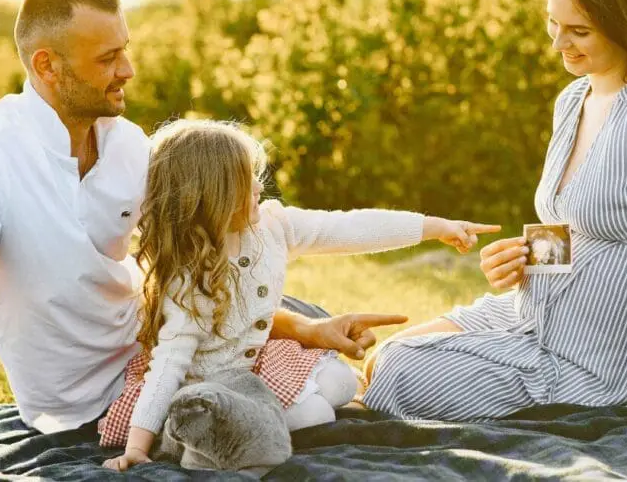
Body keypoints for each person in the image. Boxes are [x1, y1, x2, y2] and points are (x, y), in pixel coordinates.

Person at [0, 0, 427, 478]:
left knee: (322, 363)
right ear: (47, 65)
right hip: (89, 402)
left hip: (170, 346)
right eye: (107, 58)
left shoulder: (129, 147)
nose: (128, 69)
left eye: (124, 50)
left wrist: (306, 329)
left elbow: (199, 272)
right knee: (305, 408)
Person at [362, 0, 627, 421]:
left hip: (597, 358)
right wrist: (524, 259)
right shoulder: (571, 102)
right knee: (385, 355)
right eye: (553, 23)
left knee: (397, 369)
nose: (559, 43)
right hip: (532, 315)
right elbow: (577, 228)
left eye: (578, 31)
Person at [102, 119, 499, 471]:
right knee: (312, 415)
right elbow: (168, 367)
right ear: (213, 195)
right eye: (246, 180)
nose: (260, 186)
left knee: (342, 384)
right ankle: (187, 433)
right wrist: (138, 446)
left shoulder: (272, 226)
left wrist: (436, 227)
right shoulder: (189, 279)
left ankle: (262, 419)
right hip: (213, 384)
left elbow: (349, 229)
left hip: (257, 361)